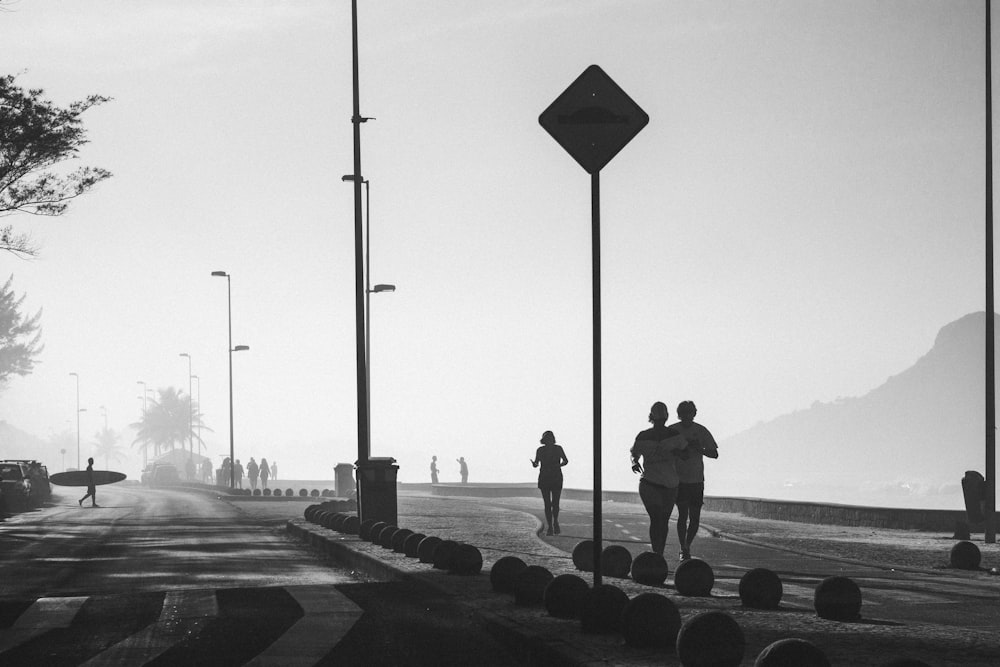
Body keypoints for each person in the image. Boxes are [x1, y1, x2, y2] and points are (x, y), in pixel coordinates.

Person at [630, 401, 696, 556]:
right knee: (656, 519)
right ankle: (657, 552)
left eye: (661, 419)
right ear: (653, 418)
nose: (660, 422)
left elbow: (686, 454)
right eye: (658, 419)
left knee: (662, 520)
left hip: (670, 485)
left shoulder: (674, 436)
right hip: (650, 483)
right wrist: (634, 463)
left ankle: (658, 553)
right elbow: (634, 454)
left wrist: (677, 452)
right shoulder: (643, 436)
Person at [672, 400, 719, 560]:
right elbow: (665, 451)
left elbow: (714, 453)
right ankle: (683, 547)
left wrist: (700, 449)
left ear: (694, 414)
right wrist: (679, 452)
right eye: (683, 413)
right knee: (682, 515)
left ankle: (687, 545)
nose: (686, 416)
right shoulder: (673, 430)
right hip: (680, 480)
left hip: (697, 480)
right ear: (679, 414)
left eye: (689, 413)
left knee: (695, 518)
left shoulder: (701, 430)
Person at [531, 430, 568, 535]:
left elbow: (565, 460)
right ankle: (552, 525)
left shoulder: (542, 450)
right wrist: (558, 466)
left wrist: (534, 464)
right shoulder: (556, 449)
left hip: (547, 477)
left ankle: (553, 525)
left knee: (550, 504)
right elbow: (565, 461)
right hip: (553, 477)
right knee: (552, 503)